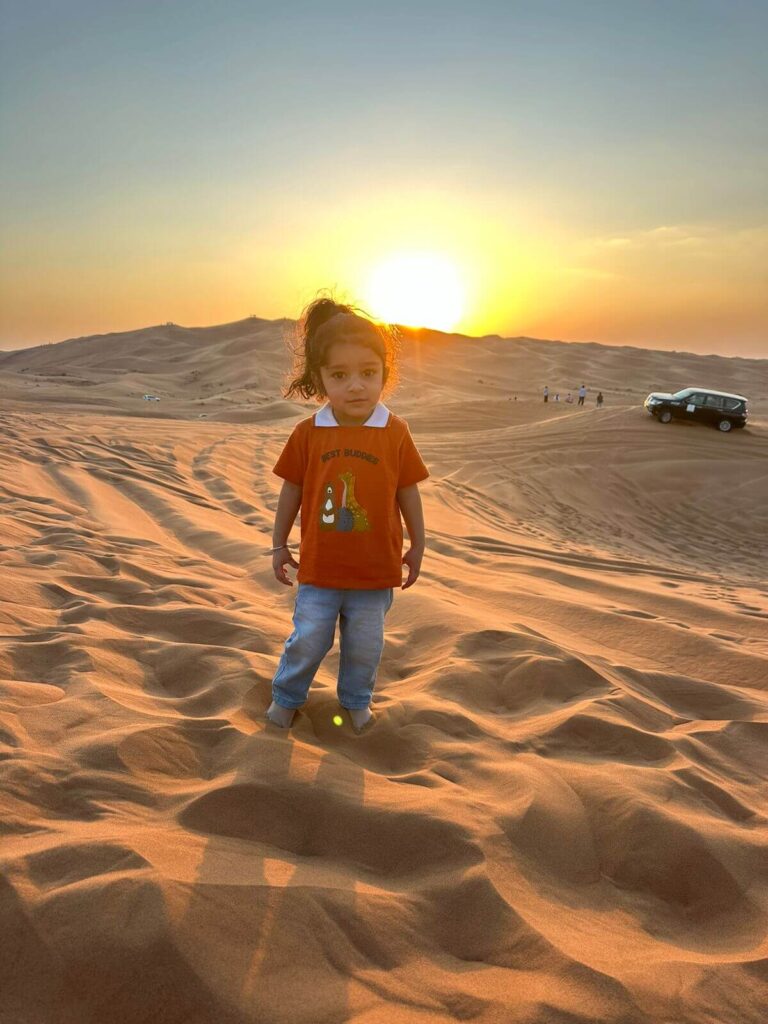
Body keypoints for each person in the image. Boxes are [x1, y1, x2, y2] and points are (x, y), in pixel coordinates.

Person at [266, 298, 429, 734]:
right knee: (309, 639)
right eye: (340, 375)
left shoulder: (395, 432)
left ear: (384, 374)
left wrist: (418, 546)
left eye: (368, 373)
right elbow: (291, 491)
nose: (356, 386)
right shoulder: (308, 433)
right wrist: (279, 544)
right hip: (319, 569)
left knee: (364, 646)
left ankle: (356, 702)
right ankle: (286, 698)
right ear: (319, 378)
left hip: (375, 573)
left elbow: (407, 491)